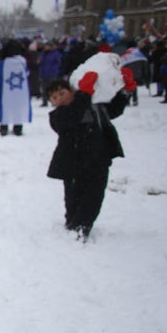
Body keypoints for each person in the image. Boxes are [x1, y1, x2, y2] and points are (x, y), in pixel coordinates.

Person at [45, 76, 130, 242]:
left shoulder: (92, 106)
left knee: (94, 196)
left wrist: (124, 91)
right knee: (73, 197)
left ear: (72, 92)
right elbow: (74, 115)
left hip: (98, 160)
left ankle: (81, 225)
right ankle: (72, 223)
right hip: (72, 164)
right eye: (54, 97)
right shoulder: (58, 115)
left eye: (62, 93)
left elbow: (114, 109)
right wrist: (84, 93)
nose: (59, 99)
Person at [0, 38, 31, 136]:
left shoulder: (3, 63)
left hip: (6, 91)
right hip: (20, 92)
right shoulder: (22, 61)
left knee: (5, 108)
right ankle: (18, 128)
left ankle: (4, 127)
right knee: (18, 108)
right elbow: (27, 73)